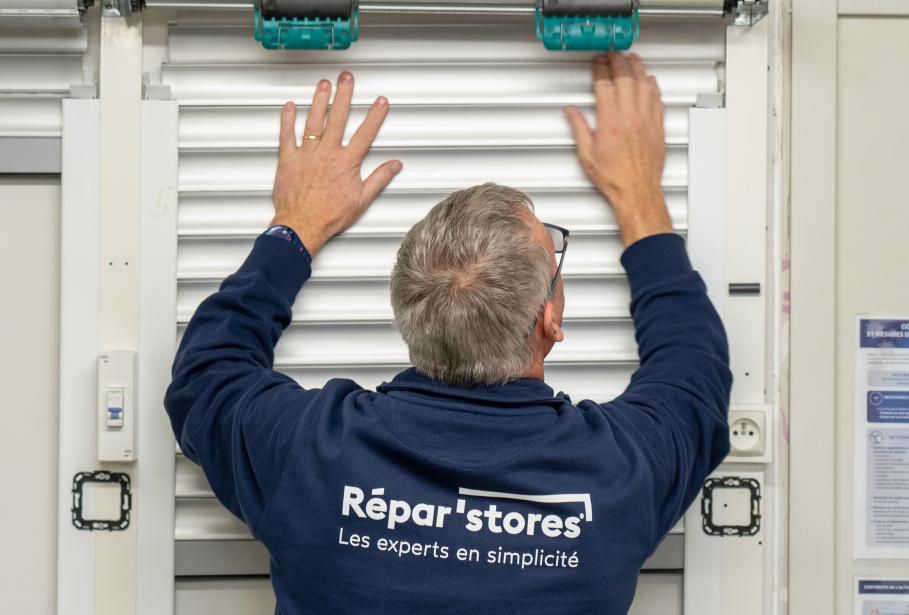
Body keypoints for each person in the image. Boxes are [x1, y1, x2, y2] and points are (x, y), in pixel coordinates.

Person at [165, 52, 732, 615]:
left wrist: (296, 225)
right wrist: (640, 198)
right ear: (550, 320)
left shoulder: (309, 450)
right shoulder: (619, 474)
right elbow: (692, 367)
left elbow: (208, 373)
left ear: (405, 310)